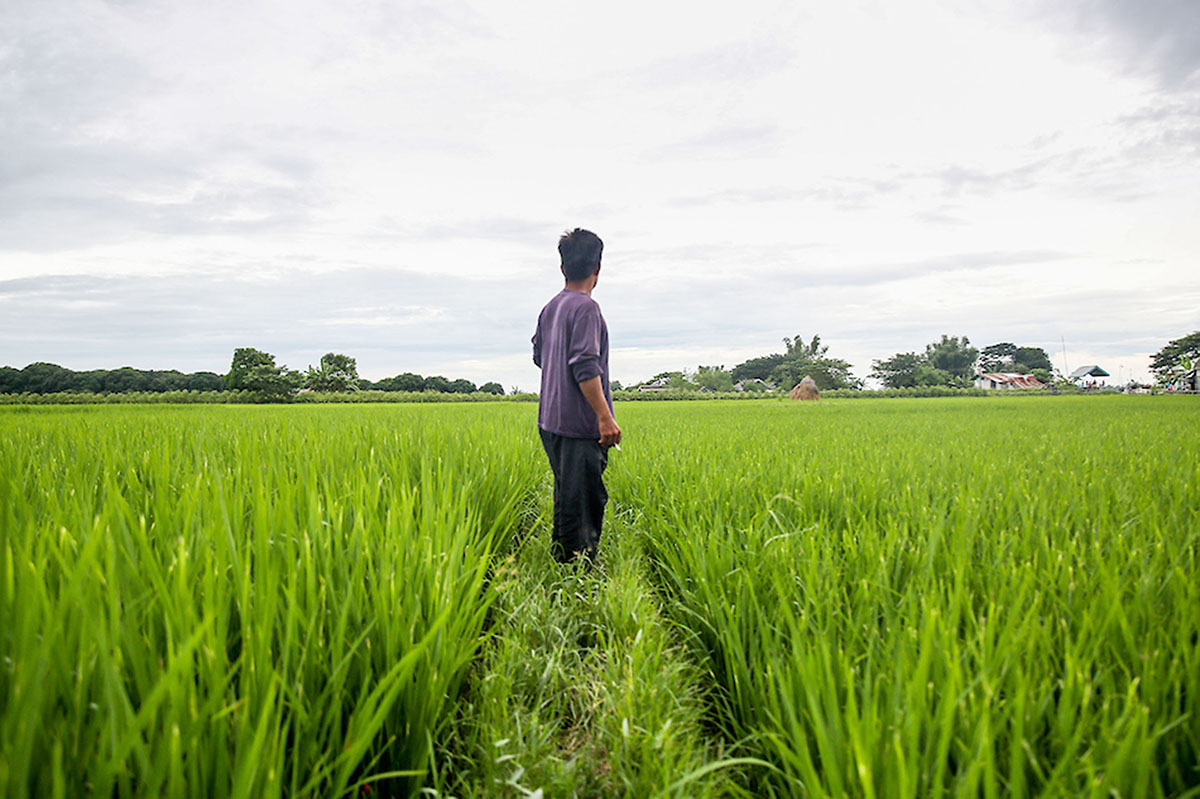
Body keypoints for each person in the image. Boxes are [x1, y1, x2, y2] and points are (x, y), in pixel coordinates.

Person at [531, 228, 621, 563]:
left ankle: (563, 566)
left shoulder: (550, 308)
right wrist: (604, 417)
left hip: (551, 423)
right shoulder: (586, 309)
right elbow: (585, 365)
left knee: (568, 496)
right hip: (579, 426)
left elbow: (540, 356)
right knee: (583, 504)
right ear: (598, 268)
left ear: (562, 267)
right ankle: (575, 574)